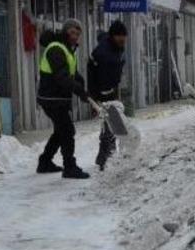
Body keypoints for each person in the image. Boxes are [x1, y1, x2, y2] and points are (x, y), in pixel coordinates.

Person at [36, 18, 95, 179]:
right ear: (65, 31)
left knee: (61, 130)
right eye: (72, 32)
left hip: (57, 98)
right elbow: (62, 77)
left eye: (78, 33)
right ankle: (69, 166)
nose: (75, 36)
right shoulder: (56, 49)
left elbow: (72, 73)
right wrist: (80, 92)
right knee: (67, 130)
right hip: (51, 98)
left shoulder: (68, 49)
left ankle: (45, 162)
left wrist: (83, 86)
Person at [88, 20, 128, 171]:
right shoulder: (104, 54)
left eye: (124, 37)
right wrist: (98, 99)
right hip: (102, 93)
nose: (123, 40)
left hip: (109, 90)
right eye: (120, 37)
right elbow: (99, 77)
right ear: (113, 36)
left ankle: (102, 156)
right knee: (112, 124)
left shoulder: (115, 47)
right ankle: (109, 158)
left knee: (110, 124)